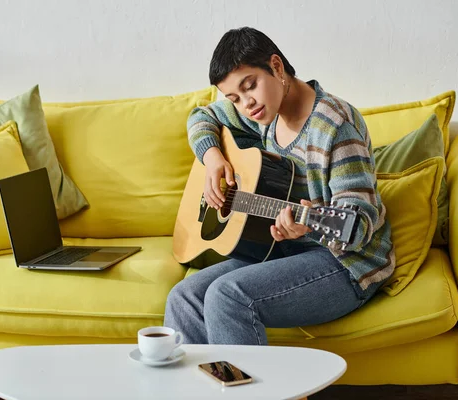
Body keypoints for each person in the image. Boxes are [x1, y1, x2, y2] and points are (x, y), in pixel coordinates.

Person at [164, 27, 395, 345]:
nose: (246, 104)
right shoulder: (265, 114)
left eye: (250, 86)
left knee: (227, 296)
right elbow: (200, 117)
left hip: (346, 263)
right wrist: (213, 157)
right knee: (183, 298)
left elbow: (358, 225)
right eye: (234, 98)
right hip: (281, 251)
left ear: (276, 66)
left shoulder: (335, 127)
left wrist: (308, 225)